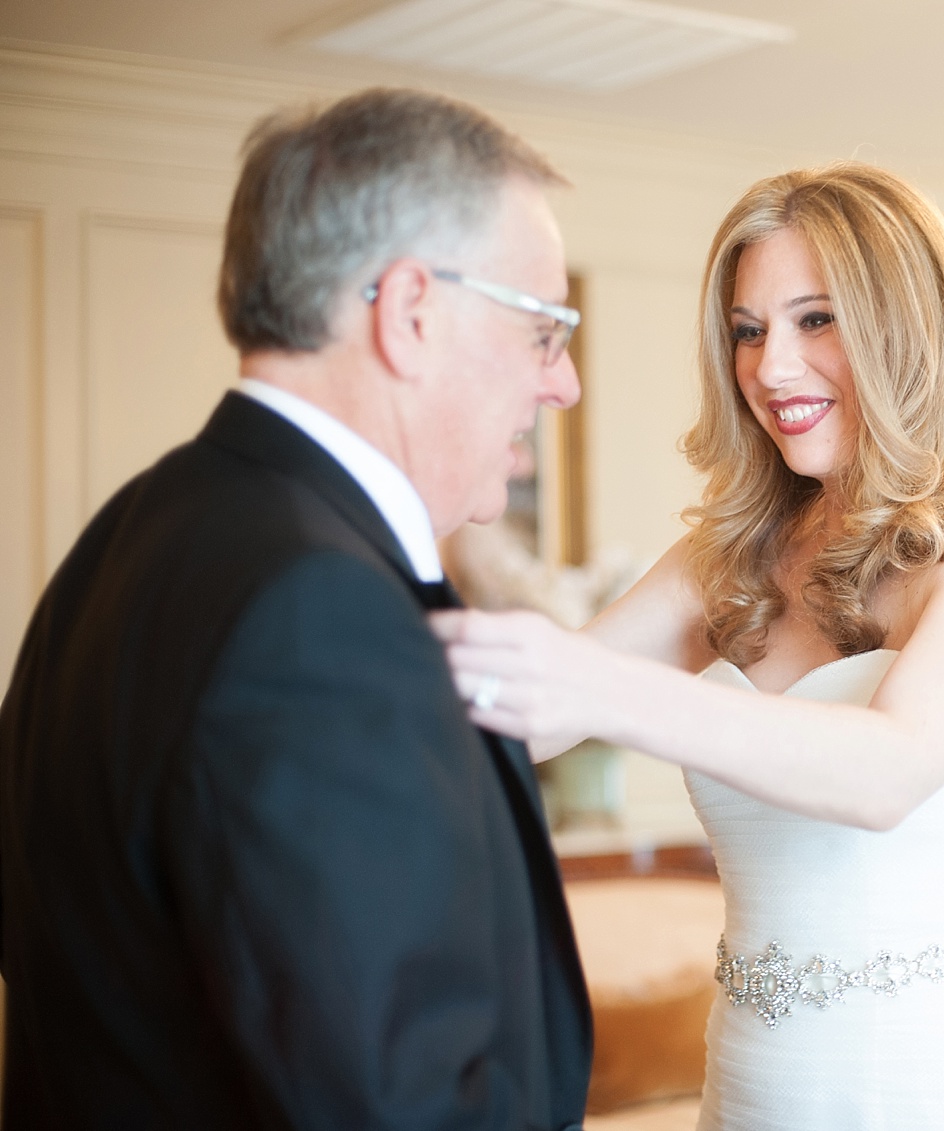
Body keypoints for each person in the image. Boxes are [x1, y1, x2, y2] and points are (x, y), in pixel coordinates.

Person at [0, 88, 593, 1129]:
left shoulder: (121, 543)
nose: (565, 384)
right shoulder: (319, 617)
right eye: (544, 328)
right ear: (410, 312)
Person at [434, 162, 944, 1129]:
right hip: (750, 1093)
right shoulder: (720, 562)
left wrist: (610, 692)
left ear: (907, 328)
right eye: (748, 330)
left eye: (816, 320)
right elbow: (523, 724)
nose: (771, 368)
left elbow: (884, 775)